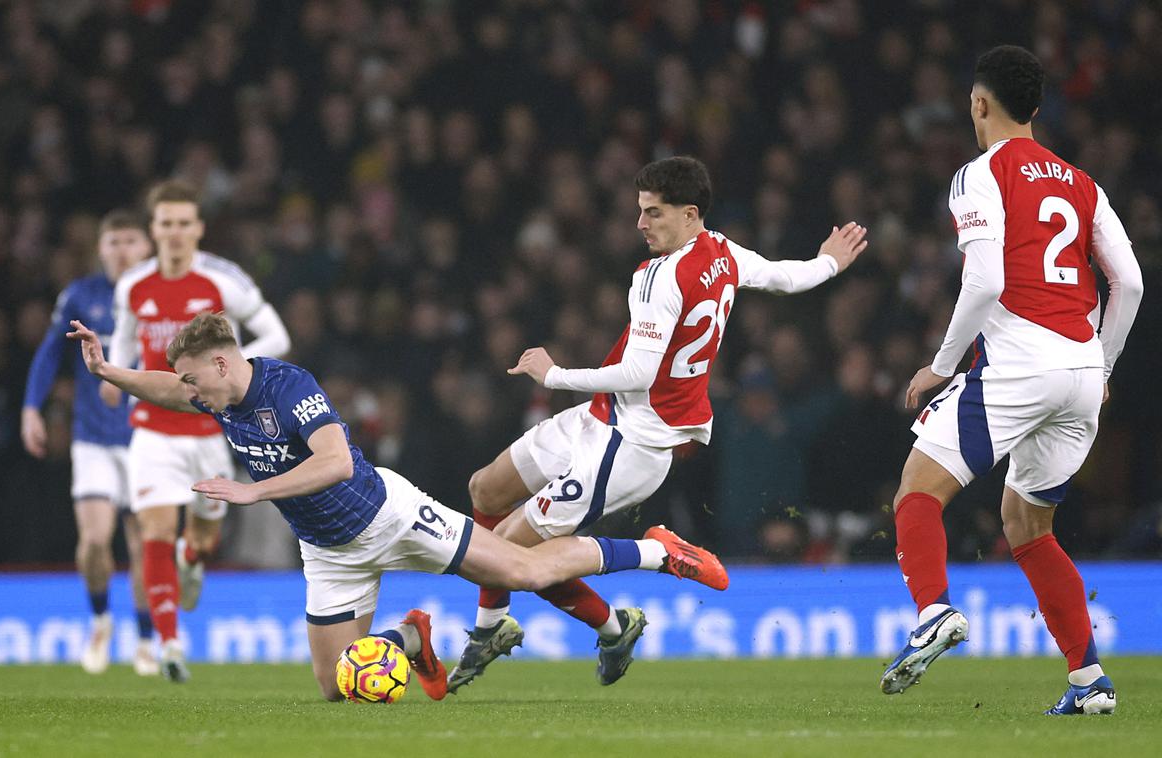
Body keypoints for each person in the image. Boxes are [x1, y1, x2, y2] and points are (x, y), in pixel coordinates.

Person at [67, 312, 727, 699]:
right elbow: (164, 387)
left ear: (220, 361)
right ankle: (412, 635)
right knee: (334, 690)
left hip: (389, 515)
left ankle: (658, 550)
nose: (189, 393)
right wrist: (106, 372)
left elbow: (330, 461)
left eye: (192, 378)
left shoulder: (286, 385)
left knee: (521, 571)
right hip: (328, 551)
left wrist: (253, 491)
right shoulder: (214, 393)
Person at [451, 156, 869, 692]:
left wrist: (553, 373)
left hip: (631, 443)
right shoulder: (721, 250)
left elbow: (640, 370)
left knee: (505, 554)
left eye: (653, 213)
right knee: (484, 488)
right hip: (603, 419)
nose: (641, 224)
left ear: (689, 213)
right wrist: (828, 263)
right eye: (640, 211)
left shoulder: (658, 277)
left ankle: (655, 555)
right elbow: (786, 277)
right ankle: (604, 626)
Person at [880, 45, 1143, 715]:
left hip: (1021, 361)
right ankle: (1089, 682)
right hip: (1082, 371)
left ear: (978, 104)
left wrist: (942, 365)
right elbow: (1131, 282)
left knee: (917, 490)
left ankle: (935, 611)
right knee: (1027, 524)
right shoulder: (1083, 183)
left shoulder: (979, 174)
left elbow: (988, 279)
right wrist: (1104, 365)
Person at [104, 180, 291, 680]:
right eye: (166, 223)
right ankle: (169, 643)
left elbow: (278, 335)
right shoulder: (133, 286)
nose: (176, 233)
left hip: (210, 431)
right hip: (152, 433)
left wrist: (230, 372)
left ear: (199, 228)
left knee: (203, 539)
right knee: (155, 531)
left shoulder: (222, 281)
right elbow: (123, 342)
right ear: (154, 229)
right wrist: (115, 377)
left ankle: (192, 556)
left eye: (185, 223)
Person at [21, 210, 157, 676]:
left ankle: (144, 640)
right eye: (113, 241)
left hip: (146, 439)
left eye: (131, 241)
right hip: (94, 438)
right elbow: (48, 352)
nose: (122, 250)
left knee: (143, 547)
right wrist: (31, 408)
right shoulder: (81, 294)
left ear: (147, 247)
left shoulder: (157, 297)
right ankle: (101, 620)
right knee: (95, 541)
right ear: (100, 248)